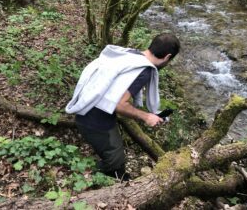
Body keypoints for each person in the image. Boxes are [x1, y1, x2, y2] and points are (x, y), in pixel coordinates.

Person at [65, 33, 180, 180]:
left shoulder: (130, 54)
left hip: (85, 103)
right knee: (116, 160)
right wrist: (146, 116)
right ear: (167, 57)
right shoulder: (143, 71)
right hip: (92, 118)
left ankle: (114, 177)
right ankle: (86, 176)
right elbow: (119, 104)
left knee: (116, 156)